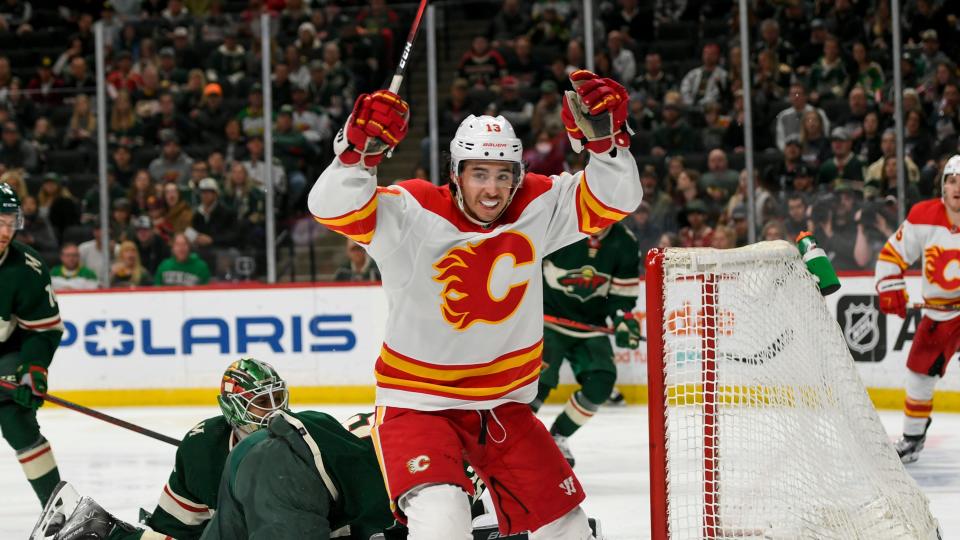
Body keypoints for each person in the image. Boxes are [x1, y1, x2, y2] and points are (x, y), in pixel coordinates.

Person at [308, 70, 641, 539]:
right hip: (420, 406)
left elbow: (617, 197)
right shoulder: (413, 212)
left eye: (503, 175)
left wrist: (608, 147)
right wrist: (355, 156)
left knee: (569, 531)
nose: (491, 189)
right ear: (455, 173)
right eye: (479, 174)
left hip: (505, 408)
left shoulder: (536, 203)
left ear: (517, 176)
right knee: (443, 522)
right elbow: (330, 207)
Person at [36, 358, 393, 540]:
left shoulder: (305, 437)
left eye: (277, 398)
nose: (274, 411)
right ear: (233, 408)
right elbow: (176, 524)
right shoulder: (204, 447)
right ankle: (98, 528)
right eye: (259, 403)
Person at [531, 222, 641, 466]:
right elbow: (527, 268)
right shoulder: (559, 227)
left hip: (589, 325)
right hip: (546, 320)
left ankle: (559, 436)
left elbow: (622, 297)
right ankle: (515, 440)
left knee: (601, 382)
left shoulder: (624, 242)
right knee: (538, 381)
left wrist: (624, 319)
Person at [874, 155, 960, 464]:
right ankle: (913, 437)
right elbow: (891, 255)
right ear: (942, 186)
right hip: (940, 314)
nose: (957, 187)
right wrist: (889, 285)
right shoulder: (924, 216)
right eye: (951, 180)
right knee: (919, 375)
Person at [0, 184, 63, 506]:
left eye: (10, 221)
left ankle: (57, 509)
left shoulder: (28, 268)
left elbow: (42, 331)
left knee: (17, 421)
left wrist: (32, 369)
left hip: (5, 351)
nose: (5, 230)